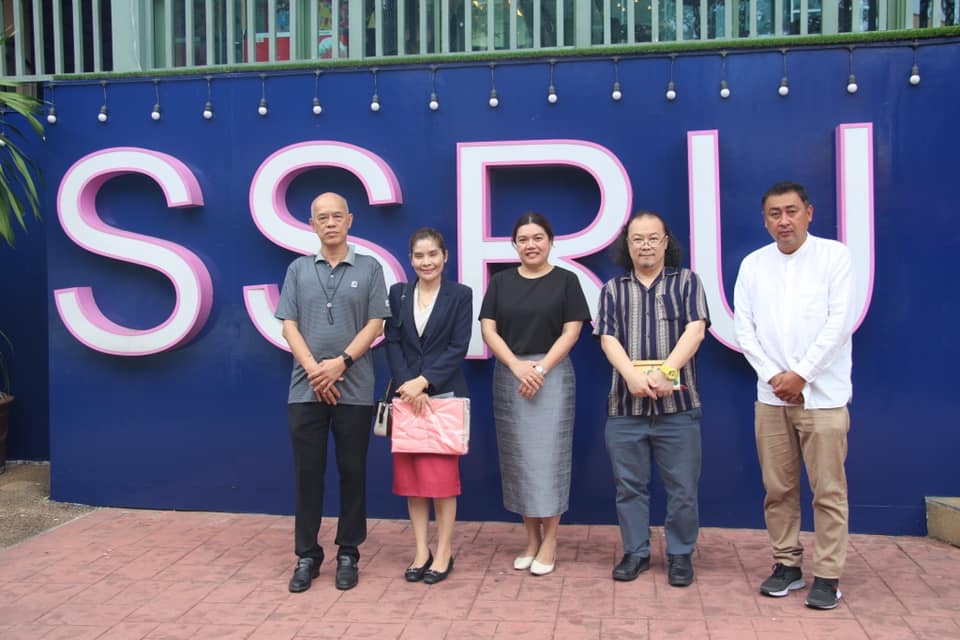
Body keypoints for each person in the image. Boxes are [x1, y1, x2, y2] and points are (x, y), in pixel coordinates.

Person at [733, 181, 856, 610]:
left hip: (823, 397)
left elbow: (839, 323)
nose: (783, 221)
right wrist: (775, 377)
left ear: (809, 213)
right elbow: (744, 329)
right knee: (778, 488)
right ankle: (787, 564)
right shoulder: (753, 265)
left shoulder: (834, 257)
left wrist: (802, 375)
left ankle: (828, 575)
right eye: (774, 214)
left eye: (791, 211)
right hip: (771, 399)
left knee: (828, 491)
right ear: (765, 220)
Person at [275, 192, 391, 593]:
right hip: (305, 388)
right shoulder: (297, 269)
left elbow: (376, 323)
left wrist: (340, 363)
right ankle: (307, 555)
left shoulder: (370, 268)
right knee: (308, 474)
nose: (330, 223)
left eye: (336, 216)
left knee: (352, 471)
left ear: (349, 220)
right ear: (312, 224)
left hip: (354, 388)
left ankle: (348, 552)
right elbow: (288, 324)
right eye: (322, 217)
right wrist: (314, 370)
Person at [594, 211, 709, 587]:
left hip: (678, 408)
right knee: (629, 486)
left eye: (652, 238)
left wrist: (665, 373)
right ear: (627, 245)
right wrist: (632, 377)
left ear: (665, 242)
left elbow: (695, 331)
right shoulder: (613, 290)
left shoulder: (687, 282)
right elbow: (608, 338)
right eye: (637, 239)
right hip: (626, 408)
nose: (645, 245)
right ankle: (636, 552)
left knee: (683, 488)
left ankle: (680, 554)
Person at [479, 212, 591, 577]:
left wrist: (540, 369)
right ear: (515, 245)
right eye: (524, 239)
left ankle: (551, 540)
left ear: (550, 241)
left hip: (552, 376)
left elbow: (571, 332)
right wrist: (516, 366)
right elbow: (489, 330)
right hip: (511, 376)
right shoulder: (500, 282)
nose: (531, 245)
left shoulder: (566, 281)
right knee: (520, 461)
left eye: (538, 237)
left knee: (550, 460)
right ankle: (530, 539)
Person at [384, 228, 473, 585]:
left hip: (443, 397)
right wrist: (409, 384)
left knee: (442, 482)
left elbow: (458, 346)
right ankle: (421, 550)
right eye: (419, 256)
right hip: (407, 398)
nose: (427, 262)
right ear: (410, 259)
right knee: (412, 482)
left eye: (433, 254)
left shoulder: (460, 295)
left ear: (445, 256)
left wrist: (425, 382)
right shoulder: (398, 293)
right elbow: (392, 341)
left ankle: (444, 550)